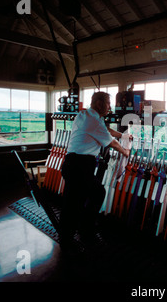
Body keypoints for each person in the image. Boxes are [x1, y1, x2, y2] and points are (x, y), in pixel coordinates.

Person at [60, 91, 131, 250]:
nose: (110, 107)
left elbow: (106, 130)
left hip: (71, 163)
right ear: (99, 104)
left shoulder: (84, 115)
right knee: (92, 195)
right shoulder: (94, 121)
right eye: (107, 103)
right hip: (81, 165)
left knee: (74, 201)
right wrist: (125, 152)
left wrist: (124, 136)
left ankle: (74, 232)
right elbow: (110, 142)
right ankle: (78, 234)